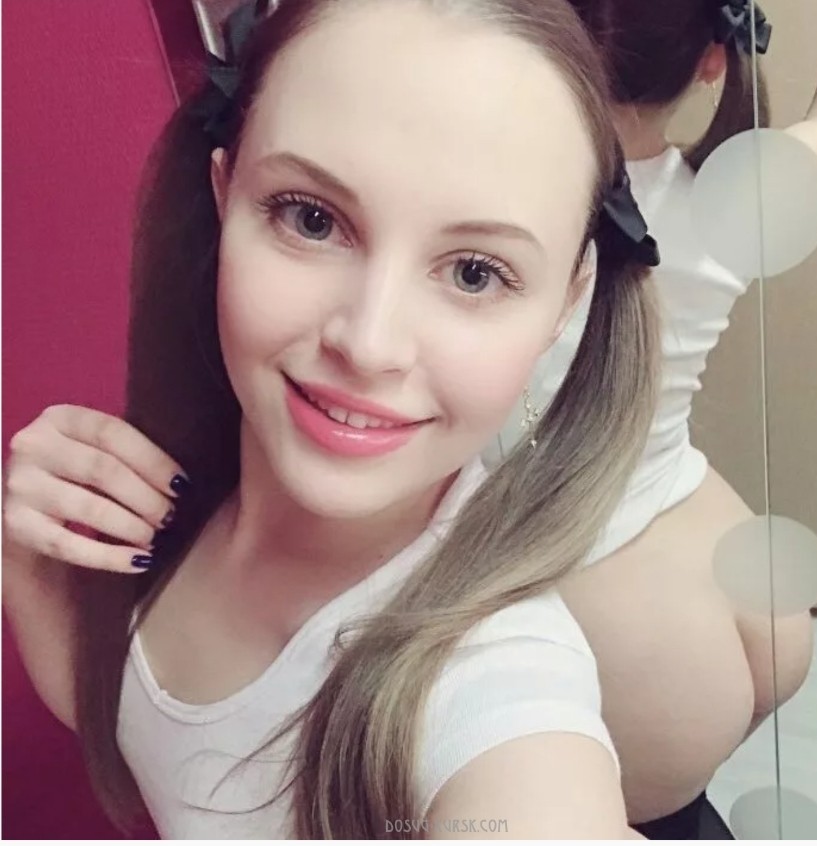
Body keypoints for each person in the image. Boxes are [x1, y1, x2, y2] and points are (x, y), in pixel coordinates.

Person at [1, 0, 663, 839]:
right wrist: (26, 569)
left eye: (474, 272)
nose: (368, 343)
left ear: (567, 302)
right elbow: (163, 747)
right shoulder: (180, 485)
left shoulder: (498, 693)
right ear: (223, 193)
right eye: (311, 219)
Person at [487, 0, 817, 837]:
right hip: (702, 540)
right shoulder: (732, 200)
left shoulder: (483, 206)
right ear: (713, 60)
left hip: (590, 585)